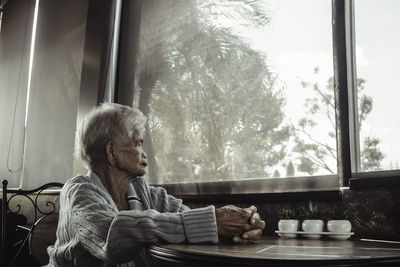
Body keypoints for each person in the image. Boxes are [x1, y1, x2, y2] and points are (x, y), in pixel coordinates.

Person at [47, 103, 265, 266]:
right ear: (111, 151)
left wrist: (240, 227)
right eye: (137, 143)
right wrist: (212, 223)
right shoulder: (78, 191)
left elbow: (187, 220)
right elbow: (114, 235)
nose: (144, 153)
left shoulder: (147, 194)